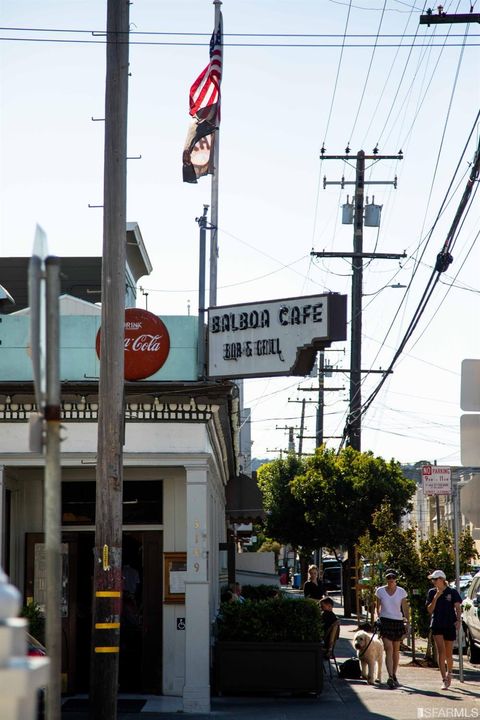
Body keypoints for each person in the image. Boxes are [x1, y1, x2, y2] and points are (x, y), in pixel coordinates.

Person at [426, 569, 462, 690]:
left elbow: (457, 607)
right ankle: (444, 679)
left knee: (448, 653)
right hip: (437, 624)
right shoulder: (431, 592)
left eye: (435, 579)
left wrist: (458, 620)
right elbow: (430, 610)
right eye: (433, 580)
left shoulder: (452, 592)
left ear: (441, 579)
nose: (433, 582)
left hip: (449, 624)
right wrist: (436, 597)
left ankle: (449, 673)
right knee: (441, 651)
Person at [375, 569, 410, 689]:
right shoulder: (380, 591)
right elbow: (378, 607)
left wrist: (407, 622)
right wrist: (378, 618)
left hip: (398, 622)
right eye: (388, 578)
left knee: (396, 650)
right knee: (388, 648)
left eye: (393, 578)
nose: (390, 580)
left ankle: (394, 674)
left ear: (396, 579)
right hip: (385, 621)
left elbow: (405, 607)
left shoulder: (401, 592)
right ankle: (389, 676)